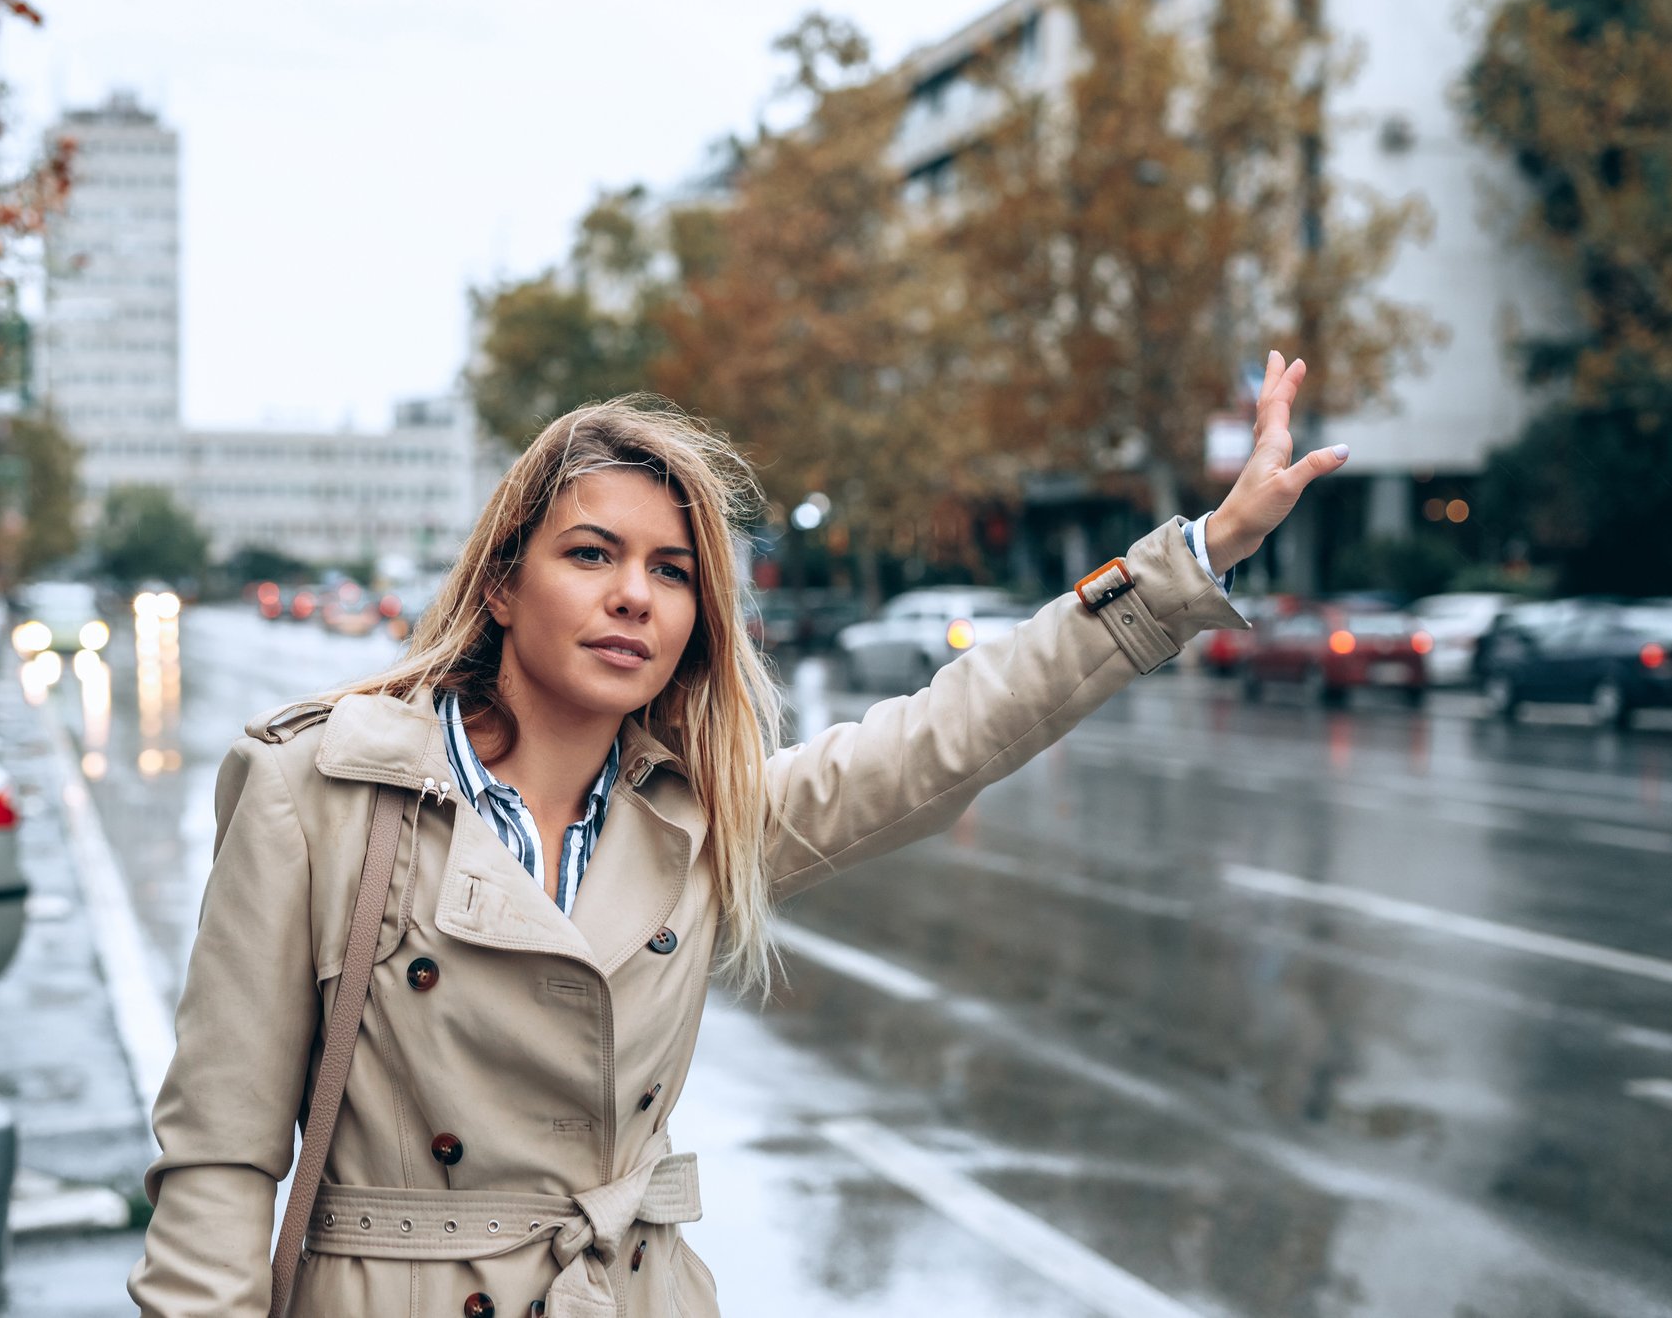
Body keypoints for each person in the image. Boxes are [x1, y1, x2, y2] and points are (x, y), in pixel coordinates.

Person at [130, 354, 1345, 1317]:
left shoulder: (695, 817)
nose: (634, 597)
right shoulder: (316, 790)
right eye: (591, 554)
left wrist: (1197, 559)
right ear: (502, 584)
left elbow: (949, 734)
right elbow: (219, 1166)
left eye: (671, 570)